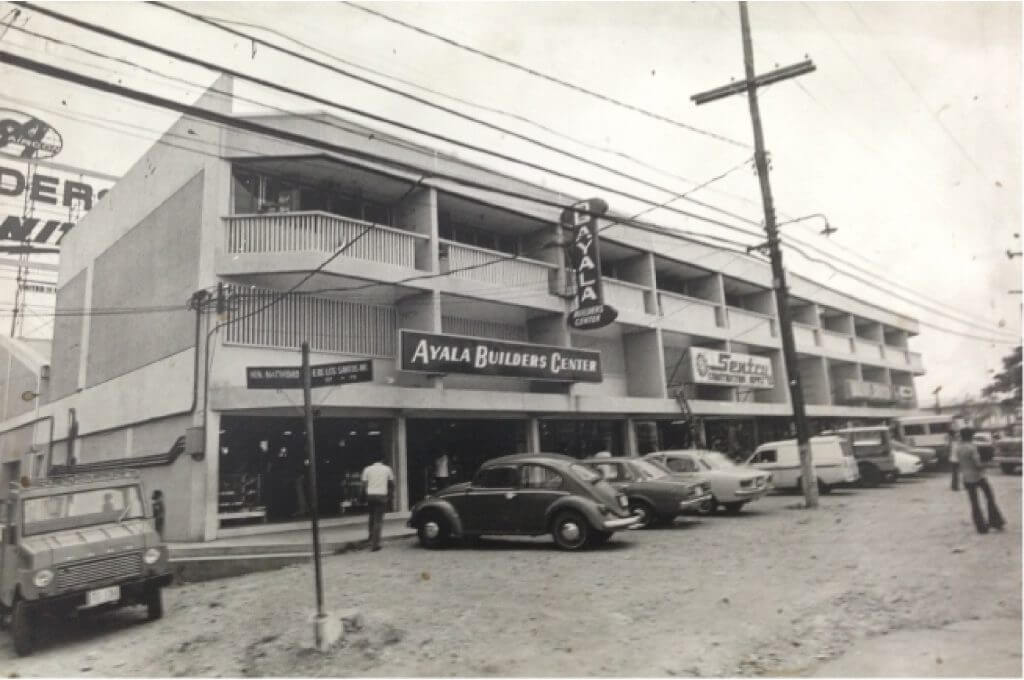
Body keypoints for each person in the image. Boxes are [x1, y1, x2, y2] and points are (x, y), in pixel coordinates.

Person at [956, 427, 1005, 534]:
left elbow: (960, 463)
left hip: (966, 478)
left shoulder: (958, 448)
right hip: (978, 477)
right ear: (971, 436)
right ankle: (995, 522)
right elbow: (977, 464)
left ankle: (981, 527)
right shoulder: (972, 447)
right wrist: (988, 465)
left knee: (974, 503)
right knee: (990, 498)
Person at [360, 453, 395, 552]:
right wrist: (390, 496)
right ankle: (375, 544)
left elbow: (363, 485)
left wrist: (362, 497)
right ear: (382, 459)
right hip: (381, 496)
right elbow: (392, 484)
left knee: (371, 517)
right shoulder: (387, 469)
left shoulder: (367, 469)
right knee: (378, 520)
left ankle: (370, 537)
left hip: (370, 496)